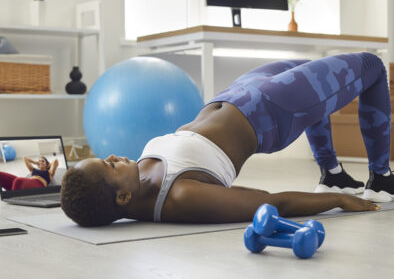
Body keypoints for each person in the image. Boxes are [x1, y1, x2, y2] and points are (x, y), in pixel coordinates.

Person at [61, 52, 393, 227]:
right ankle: (381, 178)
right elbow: (271, 202)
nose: (115, 157)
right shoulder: (179, 196)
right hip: (273, 109)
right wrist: (336, 204)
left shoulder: (137, 181)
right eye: (109, 165)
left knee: (317, 71)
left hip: (237, 92)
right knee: (372, 65)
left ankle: (333, 176)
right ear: (122, 197)